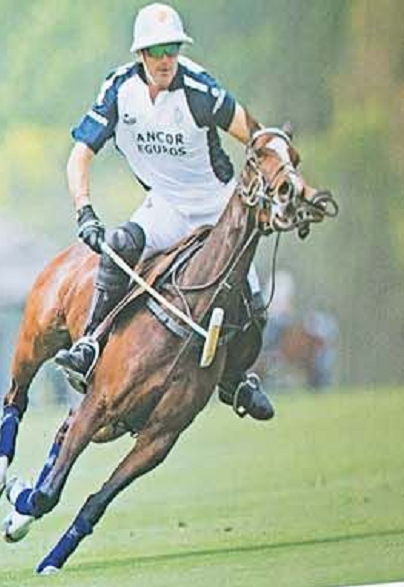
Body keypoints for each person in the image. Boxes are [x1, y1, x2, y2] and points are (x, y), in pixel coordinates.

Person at [50, 2, 276, 420]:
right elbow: (79, 156)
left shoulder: (201, 89)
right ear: (140, 54)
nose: (166, 59)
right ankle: (89, 345)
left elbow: (258, 138)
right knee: (118, 247)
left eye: (172, 48)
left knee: (255, 305)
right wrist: (85, 210)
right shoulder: (119, 90)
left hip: (218, 209)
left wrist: (262, 192)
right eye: (156, 51)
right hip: (166, 207)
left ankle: (236, 381)